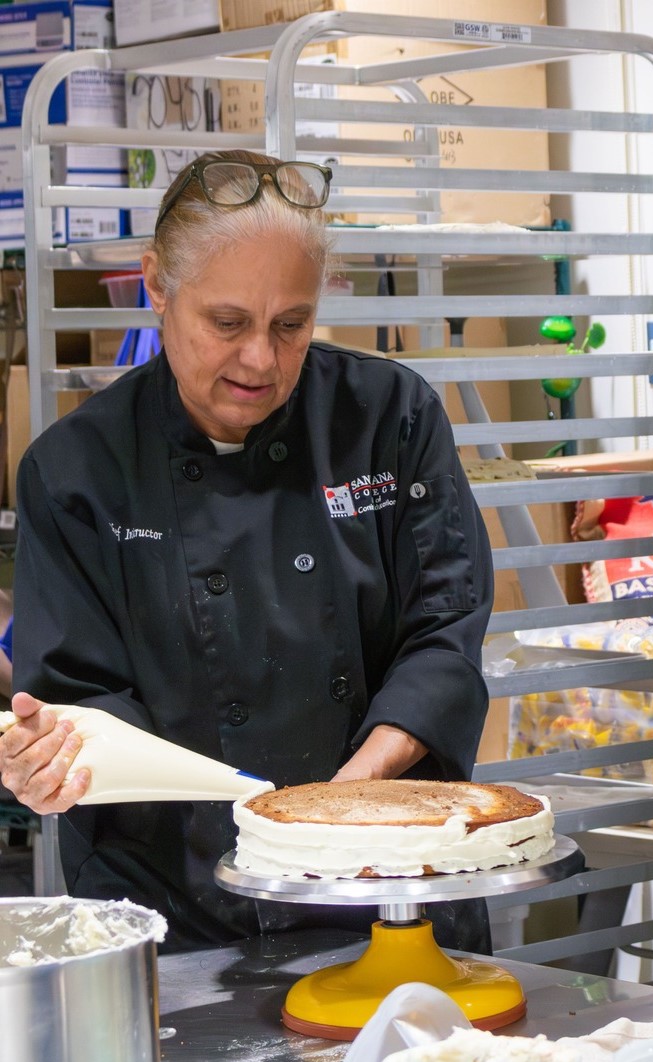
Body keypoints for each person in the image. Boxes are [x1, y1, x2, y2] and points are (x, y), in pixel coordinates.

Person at [0, 150, 494, 952]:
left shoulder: (388, 416)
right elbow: (80, 699)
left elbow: (446, 632)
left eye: (290, 325)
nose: (261, 360)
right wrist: (49, 759)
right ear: (157, 284)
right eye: (226, 323)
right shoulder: (75, 471)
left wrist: (340, 803)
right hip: (182, 911)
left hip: (392, 891)